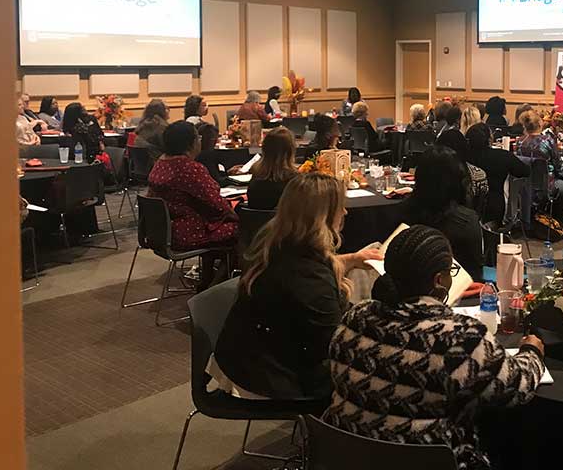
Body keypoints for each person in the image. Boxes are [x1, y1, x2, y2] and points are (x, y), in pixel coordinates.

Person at [324, 225, 544, 470]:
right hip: (428, 459)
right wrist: (532, 351)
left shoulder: (355, 318)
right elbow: (516, 388)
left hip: (346, 454)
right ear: (439, 280)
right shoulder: (459, 338)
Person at [212, 173, 381, 401]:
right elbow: (336, 345)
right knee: (377, 377)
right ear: (323, 216)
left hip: (251, 354)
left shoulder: (280, 245)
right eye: (341, 207)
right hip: (269, 374)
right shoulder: (308, 279)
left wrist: (351, 258)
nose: (345, 212)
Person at [147, 121, 238, 290]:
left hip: (160, 232)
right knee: (244, 230)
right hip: (186, 233)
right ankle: (216, 287)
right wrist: (237, 213)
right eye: (198, 137)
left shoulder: (160, 163)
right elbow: (216, 203)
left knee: (217, 223)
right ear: (190, 143)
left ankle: (207, 279)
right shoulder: (189, 168)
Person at [404, 146, 484, 280]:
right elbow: (474, 274)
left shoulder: (401, 214)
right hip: (459, 293)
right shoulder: (467, 221)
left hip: (407, 293)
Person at [518, 110, 563, 235]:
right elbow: (559, 167)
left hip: (525, 188)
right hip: (547, 187)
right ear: (540, 124)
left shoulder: (520, 142)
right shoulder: (547, 141)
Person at [466, 123, 529, 223]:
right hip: (494, 207)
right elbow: (524, 171)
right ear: (489, 139)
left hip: (467, 207)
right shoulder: (502, 156)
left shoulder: (462, 156)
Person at [434, 127, 489, 215]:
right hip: (469, 221)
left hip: (431, 220)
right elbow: (480, 208)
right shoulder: (479, 174)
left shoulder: (430, 171)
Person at [247, 127, 297, 209]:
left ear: (264, 149)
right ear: (290, 152)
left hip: (255, 221)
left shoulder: (256, 175)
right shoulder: (294, 181)